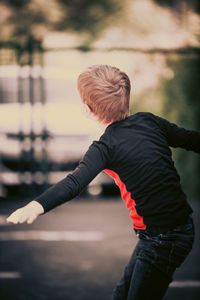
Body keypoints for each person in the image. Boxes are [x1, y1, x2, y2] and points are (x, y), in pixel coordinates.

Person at [7, 65, 200, 300]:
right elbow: (191, 139)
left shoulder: (104, 148)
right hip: (165, 232)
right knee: (121, 294)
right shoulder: (149, 122)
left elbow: (73, 183)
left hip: (164, 239)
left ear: (87, 110)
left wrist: (35, 205)